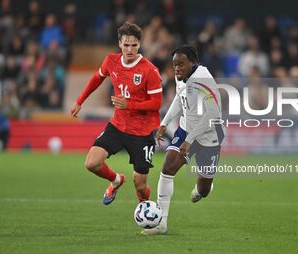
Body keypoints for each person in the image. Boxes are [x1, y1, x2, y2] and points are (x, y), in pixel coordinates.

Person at [70, 22, 163, 205]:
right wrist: (80, 101)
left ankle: (145, 212)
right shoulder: (111, 61)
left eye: (134, 45)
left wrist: (130, 104)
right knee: (92, 163)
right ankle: (116, 180)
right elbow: (97, 78)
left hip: (142, 132)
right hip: (118, 126)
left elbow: (157, 103)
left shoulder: (149, 70)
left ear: (139, 45)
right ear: (119, 43)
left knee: (141, 185)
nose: (130, 49)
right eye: (126, 45)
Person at [142, 45, 224, 235]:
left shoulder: (204, 80)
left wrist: (190, 140)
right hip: (186, 128)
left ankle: (204, 188)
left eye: (181, 64)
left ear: (193, 63)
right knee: (168, 167)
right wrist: (165, 122)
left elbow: (214, 113)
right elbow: (180, 100)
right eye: (174, 64)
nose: (177, 68)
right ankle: (160, 223)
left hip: (208, 134)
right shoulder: (181, 79)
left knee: (203, 189)